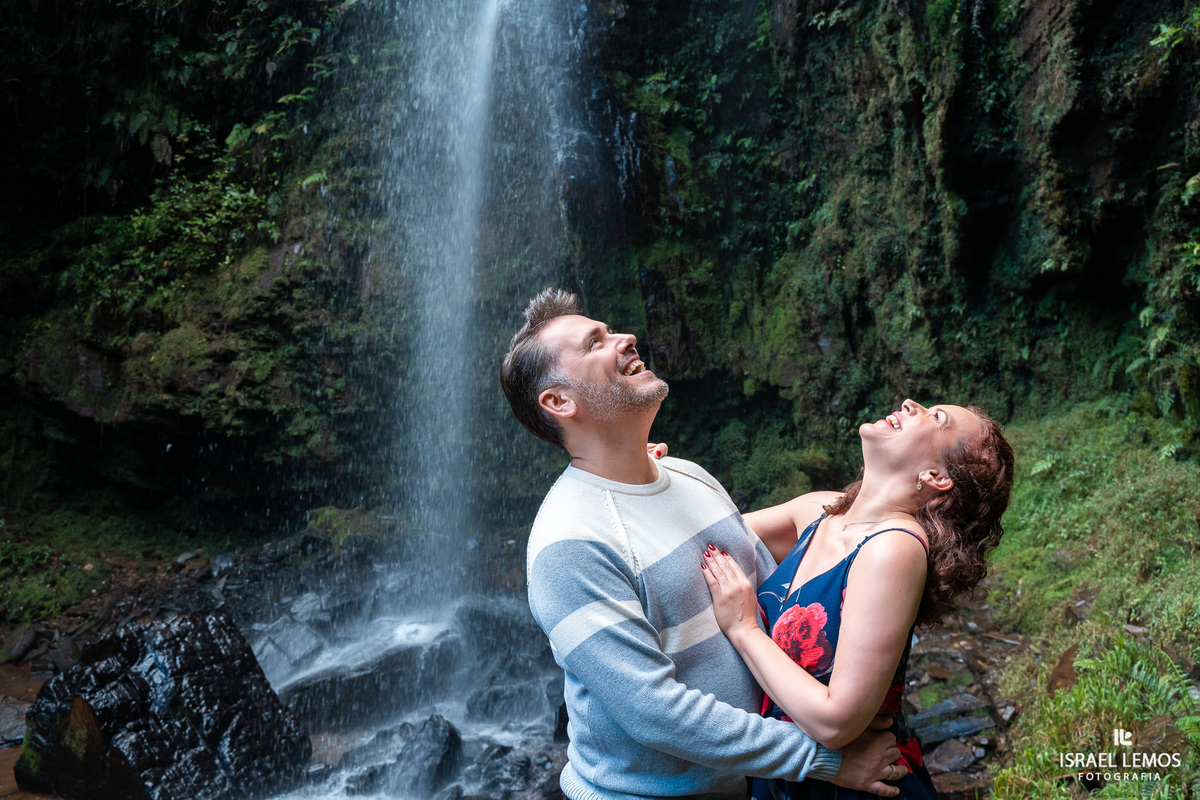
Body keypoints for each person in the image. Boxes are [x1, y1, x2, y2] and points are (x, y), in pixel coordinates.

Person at [500, 287, 908, 800]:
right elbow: (654, 712)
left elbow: (773, 602)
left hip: (755, 784)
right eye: (595, 342)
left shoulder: (687, 475)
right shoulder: (570, 544)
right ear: (559, 402)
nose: (625, 338)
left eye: (612, 330)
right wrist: (823, 758)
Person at [701, 399, 1014, 799]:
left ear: (936, 475)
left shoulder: (895, 548)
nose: (910, 403)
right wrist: (663, 479)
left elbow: (835, 722)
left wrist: (744, 629)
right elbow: (705, 539)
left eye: (937, 418)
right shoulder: (819, 511)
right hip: (792, 772)